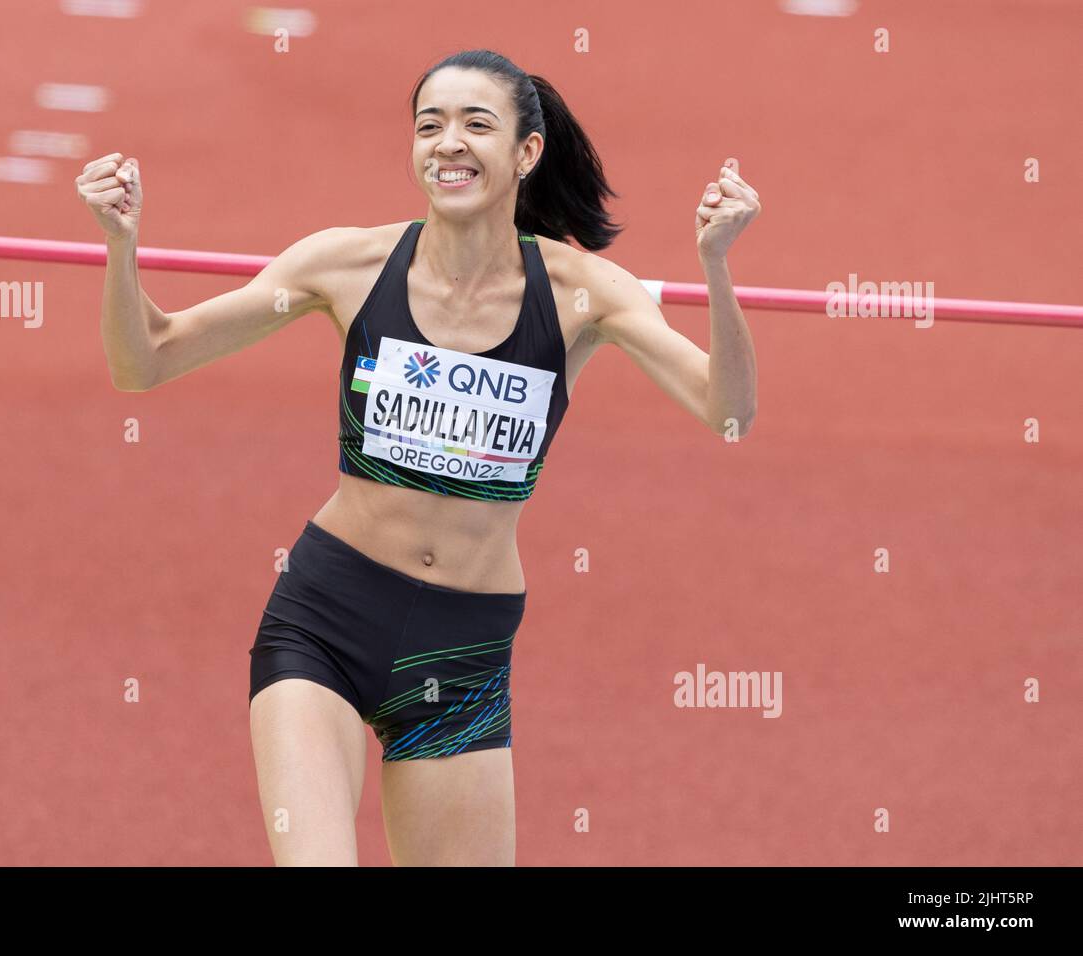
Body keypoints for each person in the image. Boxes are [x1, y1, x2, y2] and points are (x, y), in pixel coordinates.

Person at [76, 48, 759, 866]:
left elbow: (729, 411)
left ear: (526, 153)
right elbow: (144, 359)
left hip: (462, 653)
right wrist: (122, 248)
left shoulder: (584, 293)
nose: (448, 143)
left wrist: (716, 266)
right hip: (325, 619)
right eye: (429, 125)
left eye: (476, 124)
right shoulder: (346, 265)